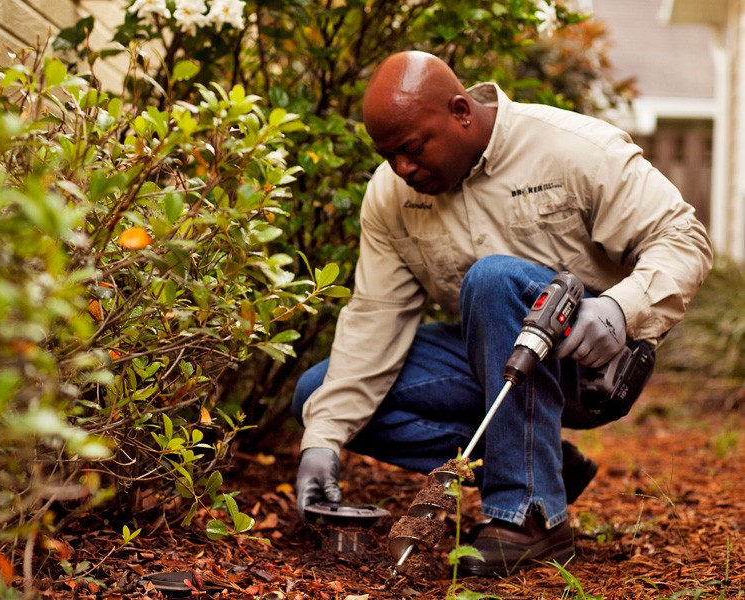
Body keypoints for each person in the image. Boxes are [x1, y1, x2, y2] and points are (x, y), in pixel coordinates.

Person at [291, 51, 712, 577]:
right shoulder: (391, 195)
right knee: (318, 397)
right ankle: (540, 464)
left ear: (461, 111)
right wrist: (322, 444)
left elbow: (683, 240)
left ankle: (529, 517)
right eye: (388, 155)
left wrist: (618, 310)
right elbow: (376, 316)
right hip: (491, 362)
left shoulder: (572, 148)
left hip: (588, 363)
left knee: (492, 280)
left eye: (412, 149)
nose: (401, 169)